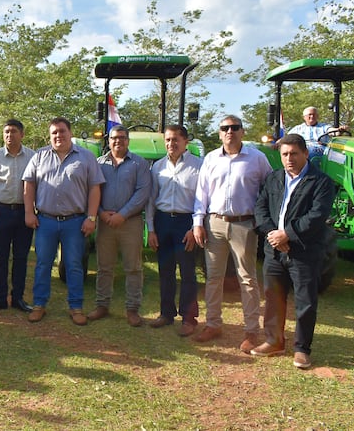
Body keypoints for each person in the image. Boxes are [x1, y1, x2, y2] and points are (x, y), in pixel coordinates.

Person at [251, 133, 335, 369]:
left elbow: (317, 216)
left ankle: (302, 349)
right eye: (285, 154)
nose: (289, 159)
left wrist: (287, 234)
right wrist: (273, 236)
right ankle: (273, 341)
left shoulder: (321, 182)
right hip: (274, 250)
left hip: (305, 252)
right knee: (273, 297)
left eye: (294, 154)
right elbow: (261, 208)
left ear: (305, 154)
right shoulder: (274, 178)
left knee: (305, 301)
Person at [193, 115, 272, 353]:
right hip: (214, 223)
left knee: (247, 279)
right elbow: (202, 192)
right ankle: (213, 324)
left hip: (244, 225)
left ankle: (251, 331)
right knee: (213, 278)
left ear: (242, 132)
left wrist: (262, 219)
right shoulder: (210, 159)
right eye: (225, 128)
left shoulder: (257, 159)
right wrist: (198, 222)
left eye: (234, 128)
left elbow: (269, 189)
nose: (230, 132)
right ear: (219, 133)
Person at [23, 117, 104, 325]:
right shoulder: (39, 156)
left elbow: (95, 188)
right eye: (54, 133)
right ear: (50, 136)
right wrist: (29, 213)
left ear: (70, 133)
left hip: (75, 222)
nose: (58, 136)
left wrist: (91, 218)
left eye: (62, 131)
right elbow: (29, 184)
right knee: (42, 264)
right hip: (45, 221)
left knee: (74, 265)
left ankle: (76, 307)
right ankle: (39, 304)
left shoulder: (86, 158)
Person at [89, 125, 151, 326]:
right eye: (115, 138)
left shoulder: (139, 164)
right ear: (109, 140)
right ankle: (102, 305)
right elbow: (93, 191)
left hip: (130, 223)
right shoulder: (99, 164)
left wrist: (122, 215)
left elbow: (142, 192)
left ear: (128, 141)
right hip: (105, 223)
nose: (118, 141)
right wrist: (100, 213)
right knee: (104, 267)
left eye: (122, 138)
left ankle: (132, 309)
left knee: (133, 268)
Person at [146, 125, 202, 336]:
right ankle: (166, 313)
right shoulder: (158, 167)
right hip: (162, 221)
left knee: (187, 272)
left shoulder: (198, 166)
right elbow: (151, 199)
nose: (171, 144)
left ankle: (189, 318)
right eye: (168, 140)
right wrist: (151, 229)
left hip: (185, 222)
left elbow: (201, 200)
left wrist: (194, 227)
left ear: (186, 141)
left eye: (176, 139)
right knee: (165, 270)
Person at [0, 119, 35, 314]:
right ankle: (0, 298)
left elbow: (37, 185)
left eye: (13, 132)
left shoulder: (32, 157)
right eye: (6, 132)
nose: (9, 135)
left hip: (24, 213)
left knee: (21, 257)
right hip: (1, 212)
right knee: (0, 257)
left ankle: (18, 298)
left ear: (22, 134)